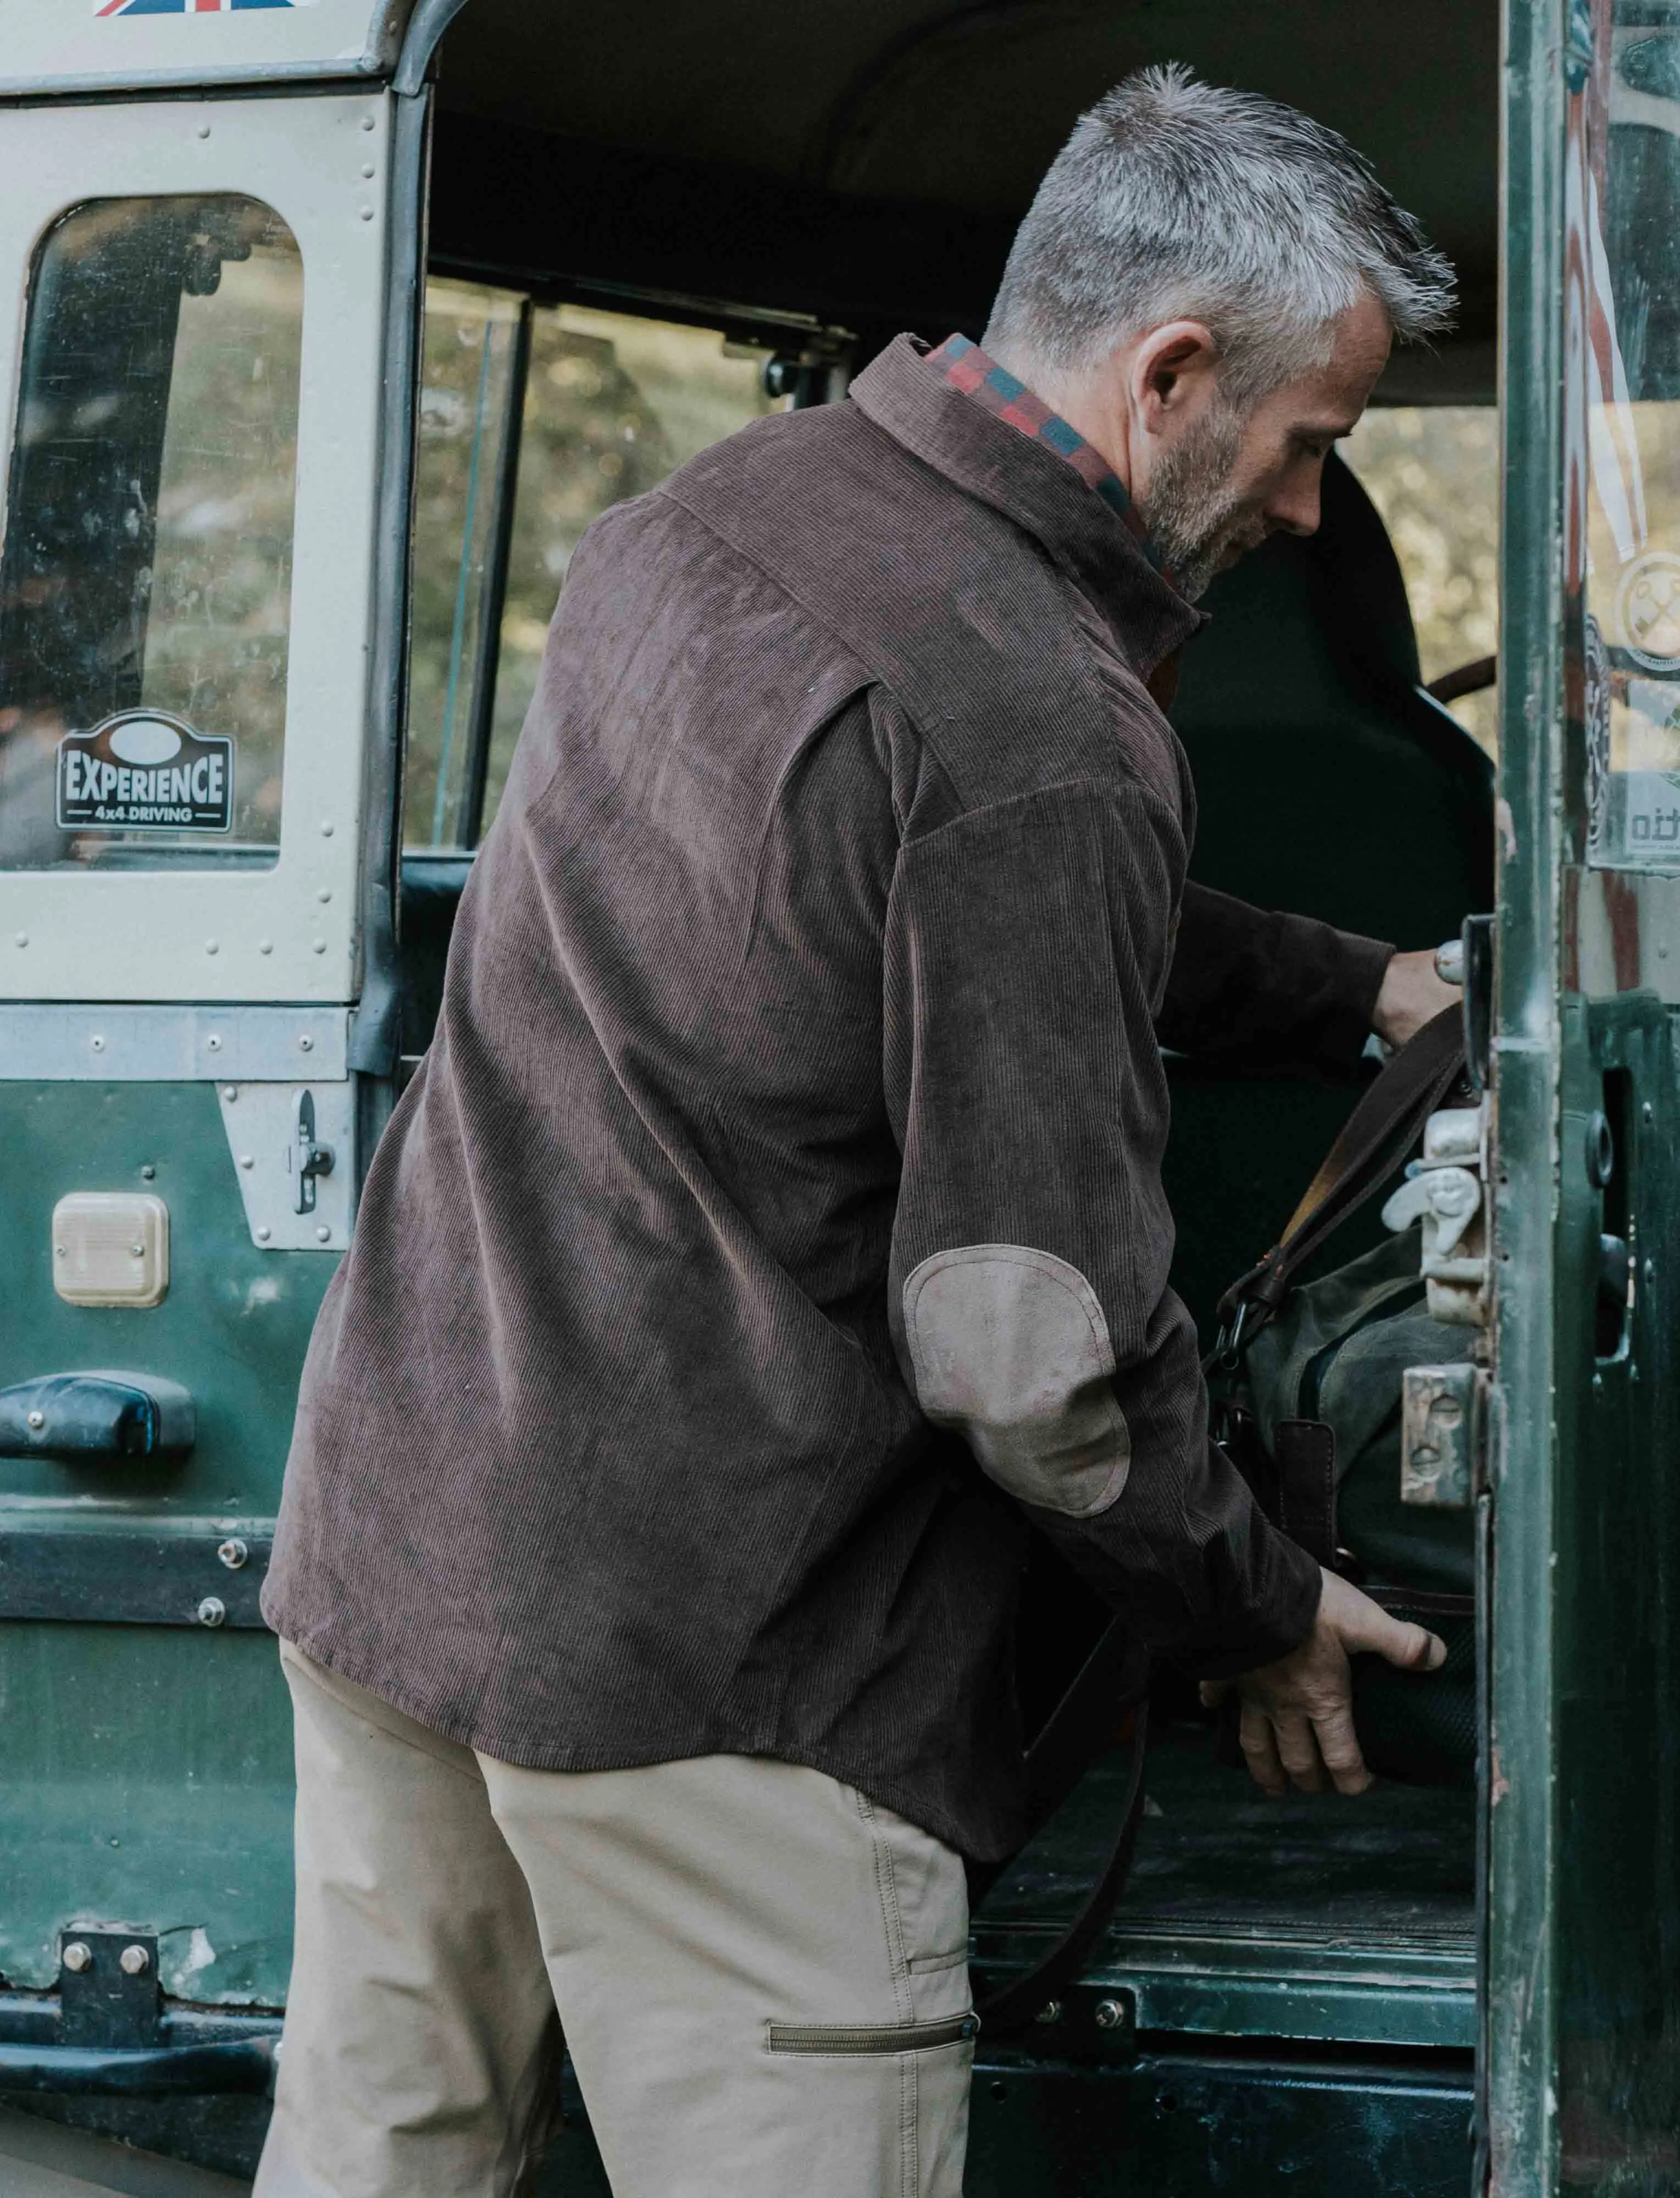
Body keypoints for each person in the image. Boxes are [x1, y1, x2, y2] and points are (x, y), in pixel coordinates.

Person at [256, 63, 1461, 2198]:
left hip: (407, 1547)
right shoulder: (1045, 730)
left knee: (385, 2157)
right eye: (1307, 448)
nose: (1300, 516)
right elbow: (1036, 1358)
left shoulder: (697, 527)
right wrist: (1258, 1596)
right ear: (1171, 372)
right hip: (732, 1664)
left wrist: (1356, 985)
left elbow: (882, 904)